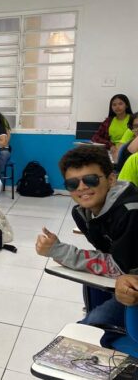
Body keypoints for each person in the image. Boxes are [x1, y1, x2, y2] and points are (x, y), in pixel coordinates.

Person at [35, 146, 138, 346]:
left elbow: (117, 267)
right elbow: (110, 256)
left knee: (85, 333)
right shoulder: (83, 213)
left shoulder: (130, 211)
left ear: (111, 179)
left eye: (90, 180)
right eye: (72, 183)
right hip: (127, 282)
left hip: (131, 285)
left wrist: (58, 250)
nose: (81, 188)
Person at [91, 94, 133, 160]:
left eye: (120, 104)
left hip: (129, 151)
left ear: (126, 105)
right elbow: (95, 137)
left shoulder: (133, 119)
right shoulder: (108, 121)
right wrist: (110, 145)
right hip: (111, 151)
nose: (117, 107)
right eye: (114, 105)